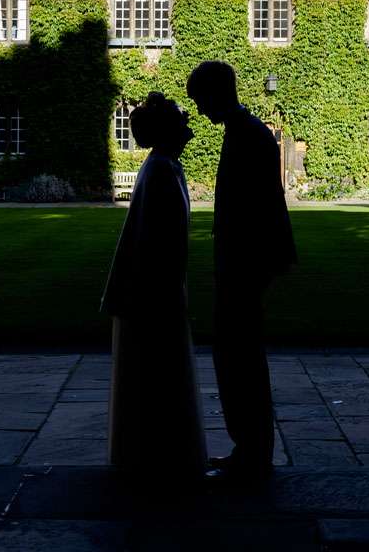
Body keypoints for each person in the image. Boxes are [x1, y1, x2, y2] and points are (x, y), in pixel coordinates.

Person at [186, 61, 297, 483]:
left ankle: (252, 453)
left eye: (201, 100)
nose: (199, 110)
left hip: (246, 261)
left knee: (239, 358)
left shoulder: (248, 135)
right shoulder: (245, 132)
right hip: (245, 259)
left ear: (217, 93)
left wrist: (238, 262)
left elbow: (255, 209)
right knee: (238, 355)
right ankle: (249, 449)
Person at [100, 91, 207, 485]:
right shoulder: (162, 169)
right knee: (159, 375)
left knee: (152, 375)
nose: (189, 126)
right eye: (181, 120)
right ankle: (162, 456)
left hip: (153, 287)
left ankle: (152, 453)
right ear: (167, 131)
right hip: (154, 292)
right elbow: (159, 241)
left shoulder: (163, 165)